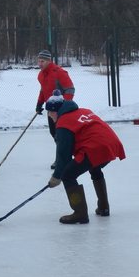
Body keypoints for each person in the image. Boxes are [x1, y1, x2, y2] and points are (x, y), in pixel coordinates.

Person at [45, 94, 126, 224]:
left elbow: (64, 156)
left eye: (50, 111)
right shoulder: (84, 111)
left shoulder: (63, 124)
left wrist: (56, 176)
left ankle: (80, 213)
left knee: (68, 175)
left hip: (95, 148)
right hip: (111, 144)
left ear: (57, 111)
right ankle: (104, 207)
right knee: (95, 168)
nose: (49, 115)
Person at [34, 50, 75, 140]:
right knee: (53, 132)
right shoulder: (41, 75)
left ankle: (65, 149)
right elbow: (43, 89)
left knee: (62, 134)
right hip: (51, 109)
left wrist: (63, 105)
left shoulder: (59, 72)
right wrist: (39, 103)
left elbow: (70, 89)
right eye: (39, 61)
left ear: (49, 61)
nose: (40, 64)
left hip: (62, 110)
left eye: (42, 61)